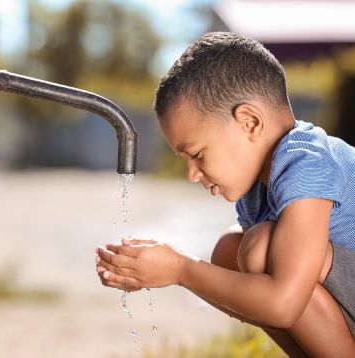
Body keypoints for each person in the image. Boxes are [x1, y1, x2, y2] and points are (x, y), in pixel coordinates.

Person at [95, 32, 355, 357]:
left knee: (259, 248)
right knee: (229, 253)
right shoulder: (256, 188)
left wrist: (180, 270)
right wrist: (156, 271)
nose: (192, 174)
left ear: (249, 122)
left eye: (197, 154)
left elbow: (283, 304)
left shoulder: (306, 161)